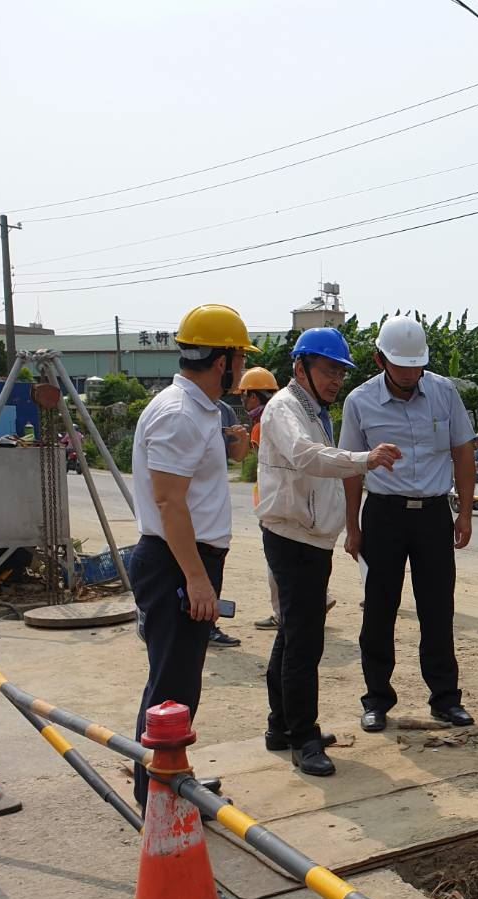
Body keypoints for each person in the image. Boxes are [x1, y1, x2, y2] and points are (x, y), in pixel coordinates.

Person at [128, 303, 256, 810]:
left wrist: (234, 446)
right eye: (239, 359)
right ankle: (158, 796)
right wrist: (198, 580)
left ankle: (171, 776)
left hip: (186, 559)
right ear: (223, 360)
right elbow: (168, 503)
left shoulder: (200, 411)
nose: (243, 370)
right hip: (175, 562)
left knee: (180, 683)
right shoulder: (180, 413)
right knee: (171, 686)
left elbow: (196, 476)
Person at [258, 327, 400, 776]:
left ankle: (282, 726)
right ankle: (303, 738)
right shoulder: (285, 408)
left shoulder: (313, 409)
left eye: (340, 371)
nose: (336, 379)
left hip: (308, 537)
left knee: (294, 635)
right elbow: (306, 456)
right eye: (327, 370)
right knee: (304, 642)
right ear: (300, 367)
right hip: (292, 537)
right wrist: (363, 459)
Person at [341, 316, 477, 732]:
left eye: (416, 366)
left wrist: (465, 512)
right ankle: (377, 699)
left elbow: (463, 453)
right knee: (379, 609)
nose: (409, 375)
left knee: (438, 608)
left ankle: (445, 698)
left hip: (434, 513)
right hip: (383, 514)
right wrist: (353, 525)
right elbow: (350, 468)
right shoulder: (359, 402)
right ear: (380, 359)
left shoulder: (443, 392)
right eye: (401, 367)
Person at [236, 366, 283, 630]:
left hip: (269, 501)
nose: (243, 401)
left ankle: (280, 613)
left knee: (275, 560)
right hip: (284, 498)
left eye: (244, 396)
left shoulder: (259, 426)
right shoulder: (285, 414)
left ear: (254, 397)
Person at [208, 397, 246, 648]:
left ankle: (208, 626)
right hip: (191, 505)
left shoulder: (224, 410)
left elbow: (238, 457)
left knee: (213, 564)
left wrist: (240, 438)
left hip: (215, 502)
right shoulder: (178, 407)